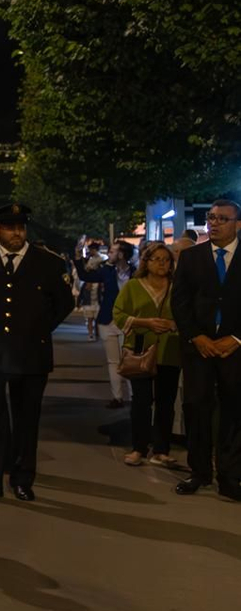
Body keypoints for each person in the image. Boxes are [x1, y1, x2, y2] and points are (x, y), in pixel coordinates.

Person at [0, 203, 75, 501]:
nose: (17, 233)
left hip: (30, 352)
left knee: (26, 419)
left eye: (21, 227)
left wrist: (38, 328)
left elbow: (64, 304)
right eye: (10, 227)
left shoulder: (48, 262)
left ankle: (22, 479)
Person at [170, 199, 241, 498]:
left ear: (237, 224)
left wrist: (236, 338)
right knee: (196, 408)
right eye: (211, 217)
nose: (213, 223)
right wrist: (195, 336)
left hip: (235, 349)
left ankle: (230, 476)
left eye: (222, 219)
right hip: (198, 347)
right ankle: (199, 472)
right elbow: (180, 301)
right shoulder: (192, 257)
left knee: (233, 412)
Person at [113, 241, 181, 467]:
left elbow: (188, 314)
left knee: (166, 401)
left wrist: (172, 324)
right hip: (141, 350)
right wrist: (146, 322)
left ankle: (161, 450)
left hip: (170, 350)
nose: (162, 264)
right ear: (146, 262)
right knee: (141, 401)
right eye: (157, 259)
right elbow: (119, 314)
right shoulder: (133, 286)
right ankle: (138, 448)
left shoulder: (177, 287)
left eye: (166, 259)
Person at [80, 241, 134, 409]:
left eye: (112, 251)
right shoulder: (107, 271)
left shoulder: (135, 272)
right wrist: (78, 258)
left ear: (122, 254)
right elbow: (86, 276)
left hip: (128, 322)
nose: (109, 254)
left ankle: (134, 397)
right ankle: (117, 397)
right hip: (107, 320)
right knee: (113, 362)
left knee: (129, 360)